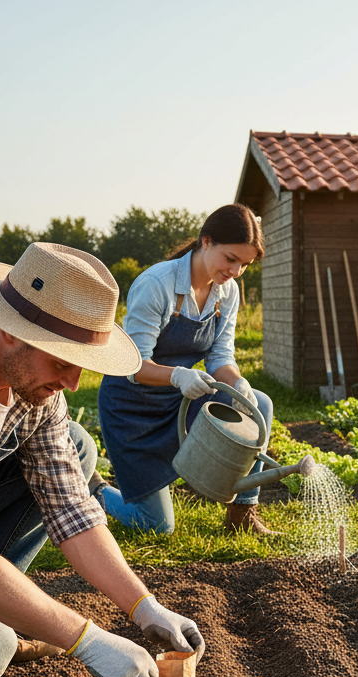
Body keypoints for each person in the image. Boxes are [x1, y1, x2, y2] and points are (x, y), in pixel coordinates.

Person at [0, 241, 205, 677]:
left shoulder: (33, 388)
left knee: (77, 449)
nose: (71, 383)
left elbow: (70, 507)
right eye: (62, 362)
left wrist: (144, 607)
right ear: (10, 331)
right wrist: (86, 640)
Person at [95, 203, 275, 535]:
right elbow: (134, 366)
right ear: (206, 242)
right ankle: (94, 491)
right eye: (230, 259)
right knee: (155, 526)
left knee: (259, 405)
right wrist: (178, 375)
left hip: (181, 398)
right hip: (132, 409)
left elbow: (220, 357)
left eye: (245, 265)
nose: (235, 271)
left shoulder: (227, 292)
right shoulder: (157, 284)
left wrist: (237, 383)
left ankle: (242, 514)